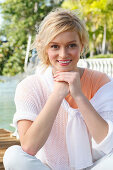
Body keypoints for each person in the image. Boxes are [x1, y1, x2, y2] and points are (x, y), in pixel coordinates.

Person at [3, 8, 113, 170]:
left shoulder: (101, 80)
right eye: (55, 46)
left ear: (81, 46)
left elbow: (109, 144)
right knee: (13, 155)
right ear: (45, 49)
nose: (63, 54)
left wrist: (79, 96)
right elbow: (29, 147)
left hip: (94, 165)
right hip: (47, 167)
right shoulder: (28, 86)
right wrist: (57, 94)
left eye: (71, 45)